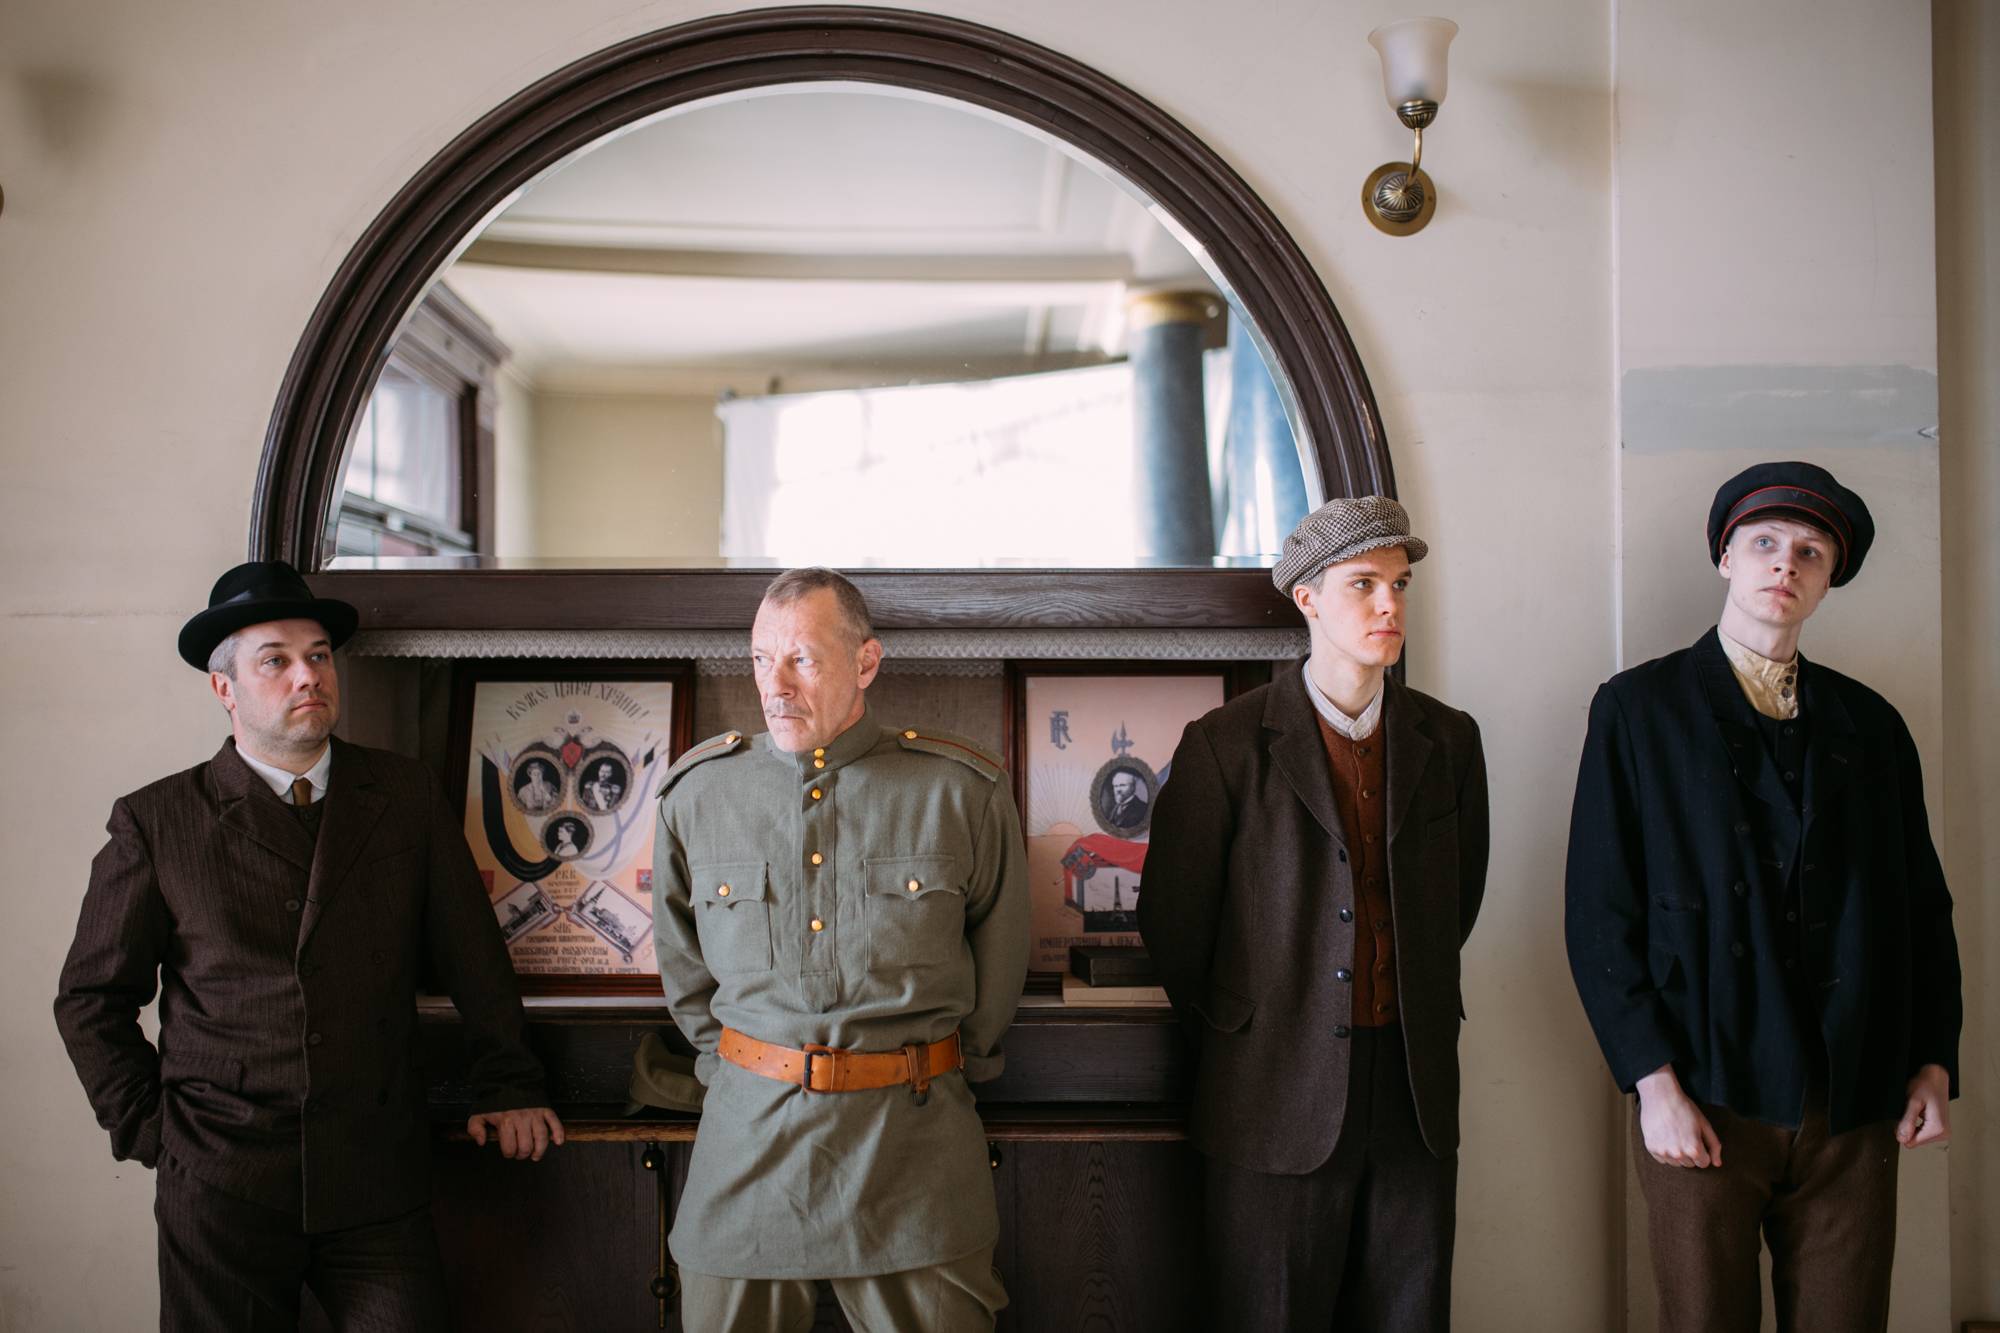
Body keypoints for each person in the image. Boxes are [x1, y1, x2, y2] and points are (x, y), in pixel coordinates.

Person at [54, 561, 564, 1333]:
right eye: (276, 660)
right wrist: (154, 1132)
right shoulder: (156, 821)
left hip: (376, 1173)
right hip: (221, 1182)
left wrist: (510, 1080)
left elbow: (474, 956)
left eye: (319, 654)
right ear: (225, 687)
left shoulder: (405, 793)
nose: (308, 675)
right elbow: (91, 1000)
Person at [1564, 462, 1960, 1333]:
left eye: (1810, 551)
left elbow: (1922, 910)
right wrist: (1653, 1084)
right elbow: (1599, 915)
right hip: (1703, 1085)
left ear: (1829, 577)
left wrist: (1933, 1060)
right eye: (1765, 543)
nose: (1786, 562)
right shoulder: (1638, 710)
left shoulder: (1875, 725)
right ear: (1726, 557)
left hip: (1853, 1094)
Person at [1139, 496, 1490, 1333]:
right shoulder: (1224, 745)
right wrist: (1255, 1026)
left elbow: (1456, 902)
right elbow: (1174, 925)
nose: (1388, 604)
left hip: (1413, 1091)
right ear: (1308, 598)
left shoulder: (1450, 740)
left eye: (1399, 585)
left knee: (1409, 1315)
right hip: (1269, 1092)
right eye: (1364, 584)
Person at [652, 567, 1028, 1333]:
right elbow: (685, 975)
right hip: (745, 1151)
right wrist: (740, 1071)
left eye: (802, 658)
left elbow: (995, 979)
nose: (776, 685)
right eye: (761, 659)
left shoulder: (962, 792)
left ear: (865, 662)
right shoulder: (696, 796)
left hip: (915, 1154)